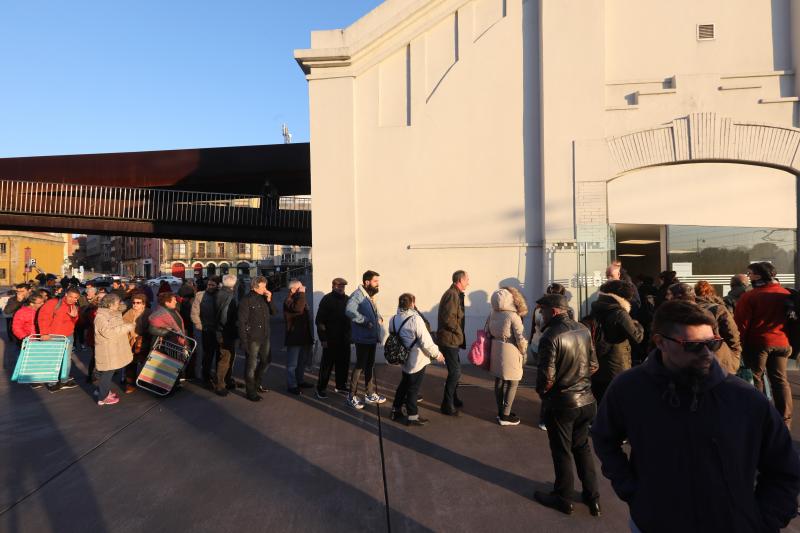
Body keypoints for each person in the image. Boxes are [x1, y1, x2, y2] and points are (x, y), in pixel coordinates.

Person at [592, 300, 800, 532]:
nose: (707, 354)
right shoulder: (629, 388)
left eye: (712, 343)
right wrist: (631, 490)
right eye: (693, 345)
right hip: (654, 522)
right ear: (660, 342)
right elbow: (604, 437)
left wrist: (764, 521)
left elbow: (784, 467)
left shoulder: (745, 398)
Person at [534, 293, 600, 517]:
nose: (540, 315)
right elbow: (593, 365)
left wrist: (544, 394)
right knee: (582, 448)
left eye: (542, 311)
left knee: (562, 451)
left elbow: (547, 379)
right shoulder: (582, 329)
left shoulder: (550, 336)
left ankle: (563, 498)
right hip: (587, 400)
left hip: (563, 403)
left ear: (553, 311)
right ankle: (593, 497)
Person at [735, 261, 793, 428]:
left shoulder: (750, 296)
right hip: (783, 342)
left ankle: (760, 415)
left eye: (750, 273)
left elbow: (741, 324)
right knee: (780, 380)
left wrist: (739, 346)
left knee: (755, 377)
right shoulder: (785, 293)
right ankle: (785, 419)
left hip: (758, 342)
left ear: (758, 276)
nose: (748, 276)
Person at [389, 293, 444, 426]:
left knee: (404, 384)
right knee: (413, 388)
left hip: (403, 357)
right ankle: (412, 416)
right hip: (416, 359)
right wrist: (437, 354)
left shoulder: (394, 319)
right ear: (412, 303)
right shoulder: (415, 319)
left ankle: (395, 410)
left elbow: (393, 335)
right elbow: (426, 342)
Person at [588, 280, 643, 404]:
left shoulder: (597, 307)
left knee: (601, 398)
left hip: (599, 360)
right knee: (617, 401)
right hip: (617, 363)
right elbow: (637, 337)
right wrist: (638, 325)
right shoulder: (619, 313)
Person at [530, 283, 571, 431]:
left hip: (538, 345)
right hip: (555, 347)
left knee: (547, 379)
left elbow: (533, 328)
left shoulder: (538, 308)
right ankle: (546, 417)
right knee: (552, 381)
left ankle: (545, 416)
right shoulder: (566, 312)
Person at [345, 270, 386, 409]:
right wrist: (365, 321)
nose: (377, 284)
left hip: (371, 338)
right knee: (360, 367)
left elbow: (372, 311)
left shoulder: (368, 296)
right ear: (367, 282)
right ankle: (351, 396)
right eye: (375, 281)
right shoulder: (357, 295)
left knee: (369, 366)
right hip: (362, 338)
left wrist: (378, 317)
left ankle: (369, 394)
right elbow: (349, 311)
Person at [488, 287, 528, 426]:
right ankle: (505, 415)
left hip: (496, 348)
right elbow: (520, 337)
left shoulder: (493, 313)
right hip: (510, 350)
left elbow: (488, 330)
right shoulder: (513, 315)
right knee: (513, 382)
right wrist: (524, 351)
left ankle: (500, 411)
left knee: (499, 381)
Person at [238, 276, 276, 401]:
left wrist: (270, 299)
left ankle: (257, 383)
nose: (265, 288)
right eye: (263, 286)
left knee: (266, 360)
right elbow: (241, 322)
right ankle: (251, 392)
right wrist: (243, 341)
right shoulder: (246, 300)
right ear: (255, 286)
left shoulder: (264, 298)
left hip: (265, 336)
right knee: (251, 365)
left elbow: (274, 312)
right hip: (252, 337)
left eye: (265, 285)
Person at [93, 293, 135, 406]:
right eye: (117, 303)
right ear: (110, 304)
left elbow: (122, 309)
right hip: (107, 350)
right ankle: (102, 397)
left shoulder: (113, 312)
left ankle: (102, 391)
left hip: (112, 348)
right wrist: (127, 327)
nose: (119, 305)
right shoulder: (101, 317)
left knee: (108, 372)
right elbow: (108, 332)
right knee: (107, 372)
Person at [436, 270, 469, 416]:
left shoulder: (456, 294)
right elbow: (448, 318)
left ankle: (453, 399)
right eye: (467, 279)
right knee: (455, 372)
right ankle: (446, 405)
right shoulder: (452, 294)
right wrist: (458, 332)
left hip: (452, 339)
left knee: (455, 371)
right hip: (449, 340)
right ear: (460, 280)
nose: (469, 282)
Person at [36, 287, 81, 392]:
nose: (72, 299)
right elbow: (43, 318)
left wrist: (74, 317)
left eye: (75, 298)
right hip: (53, 336)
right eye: (70, 296)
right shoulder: (53, 303)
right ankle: (52, 382)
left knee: (67, 359)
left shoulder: (74, 306)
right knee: (53, 359)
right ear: (65, 294)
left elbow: (73, 322)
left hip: (68, 336)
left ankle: (64, 380)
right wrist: (44, 333)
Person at [694, 280, 741, 376]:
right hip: (718, 353)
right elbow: (732, 333)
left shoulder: (691, 307)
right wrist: (735, 352)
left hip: (695, 352)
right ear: (712, 292)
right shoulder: (719, 308)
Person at [314, 277, 352, 399]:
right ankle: (321, 388)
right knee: (327, 366)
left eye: (343, 286)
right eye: (339, 286)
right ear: (333, 286)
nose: (341, 288)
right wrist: (323, 339)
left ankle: (340, 386)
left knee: (343, 364)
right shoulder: (327, 299)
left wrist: (351, 336)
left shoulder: (348, 299)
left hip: (344, 339)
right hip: (330, 339)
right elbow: (319, 321)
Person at [284, 278, 314, 395]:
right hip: (294, 337)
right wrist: (302, 294)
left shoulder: (300, 299)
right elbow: (297, 309)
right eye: (299, 288)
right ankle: (292, 385)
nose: (302, 290)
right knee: (292, 364)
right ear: (292, 289)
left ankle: (300, 381)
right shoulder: (288, 300)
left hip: (303, 336)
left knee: (301, 361)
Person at [191, 276, 219, 387]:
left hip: (218, 330)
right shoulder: (200, 295)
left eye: (213, 285)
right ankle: (206, 377)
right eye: (209, 285)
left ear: (218, 285)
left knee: (219, 355)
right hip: (206, 329)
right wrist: (199, 326)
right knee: (207, 355)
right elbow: (194, 313)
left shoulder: (220, 295)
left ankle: (218, 376)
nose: (210, 287)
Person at [213, 274, 239, 396]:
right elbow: (225, 316)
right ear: (234, 284)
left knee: (226, 357)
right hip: (226, 331)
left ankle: (226, 380)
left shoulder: (220, 293)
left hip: (221, 330)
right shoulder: (229, 296)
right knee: (226, 358)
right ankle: (220, 385)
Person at [122, 293, 151, 393]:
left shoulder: (148, 313)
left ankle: (146, 381)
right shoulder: (129, 312)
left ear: (143, 304)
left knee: (146, 362)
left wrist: (141, 336)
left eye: (138, 303)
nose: (135, 305)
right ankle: (130, 384)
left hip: (145, 341)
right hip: (131, 342)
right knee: (130, 363)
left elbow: (151, 329)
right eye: (133, 303)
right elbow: (123, 324)